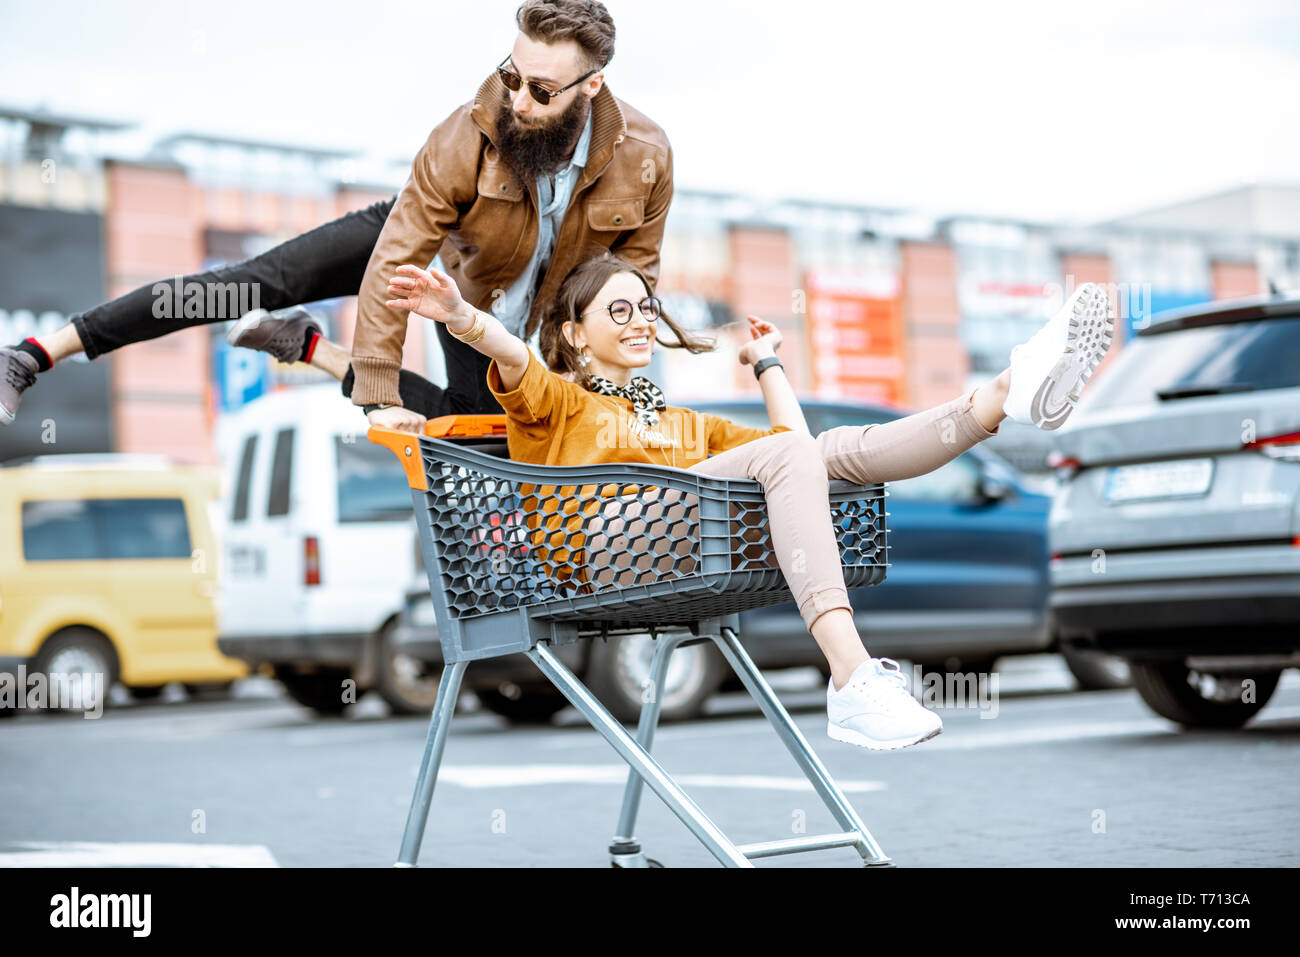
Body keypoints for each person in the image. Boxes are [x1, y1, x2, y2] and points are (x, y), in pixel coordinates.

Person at [382, 252, 1115, 751]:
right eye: (619, 311)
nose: (640, 321)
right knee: (793, 453)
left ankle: (1002, 396)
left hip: (668, 548)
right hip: (600, 555)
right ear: (575, 332)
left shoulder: (679, 420)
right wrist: (459, 316)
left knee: (831, 449)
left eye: (645, 308)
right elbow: (514, 358)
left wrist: (768, 365)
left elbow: (801, 455)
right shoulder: (558, 400)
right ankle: (852, 675)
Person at [0, 0, 672, 434]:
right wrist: (377, 395)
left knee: (469, 425)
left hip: (485, 311)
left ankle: (309, 345)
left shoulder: (645, 159)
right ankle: (32, 355)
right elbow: (397, 258)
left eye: (543, 91)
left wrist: (600, 382)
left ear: (592, 87)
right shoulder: (464, 135)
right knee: (253, 281)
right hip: (428, 250)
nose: (518, 101)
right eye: (512, 75)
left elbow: (631, 287)